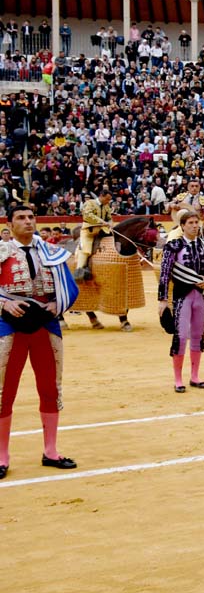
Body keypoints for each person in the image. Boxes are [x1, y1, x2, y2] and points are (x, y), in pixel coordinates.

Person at [0, 203, 80, 479]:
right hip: (9, 326)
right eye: (21, 217)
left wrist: (58, 304)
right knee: (3, 392)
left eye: (31, 217)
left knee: (50, 389)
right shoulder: (1, 252)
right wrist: (4, 304)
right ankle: (2, 456)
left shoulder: (51, 251)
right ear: (9, 224)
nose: (28, 221)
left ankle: (51, 451)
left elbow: (69, 287)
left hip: (45, 326)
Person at [157, 209, 204, 394]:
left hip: (201, 296)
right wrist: (162, 299)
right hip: (181, 295)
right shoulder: (173, 246)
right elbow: (165, 273)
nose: (194, 226)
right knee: (181, 335)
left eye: (196, 223)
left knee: (198, 335)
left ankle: (195, 376)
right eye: (190, 223)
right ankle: (178, 379)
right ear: (182, 226)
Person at [75, 188, 113, 280]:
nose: (108, 201)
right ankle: (79, 270)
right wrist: (102, 222)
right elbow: (88, 215)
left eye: (109, 199)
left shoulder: (106, 206)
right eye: (107, 199)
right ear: (101, 196)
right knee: (85, 248)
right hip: (89, 230)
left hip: (103, 230)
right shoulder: (89, 203)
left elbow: (109, 217)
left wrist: (110, 224)